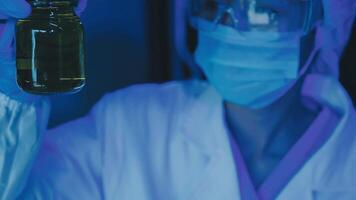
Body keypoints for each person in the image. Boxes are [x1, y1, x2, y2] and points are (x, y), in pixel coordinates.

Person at [0, 0, 355, 199]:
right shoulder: (130, 126)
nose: (233, 24)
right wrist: (8, 104)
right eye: (217, 5)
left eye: (266, 10)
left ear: (323, 25)